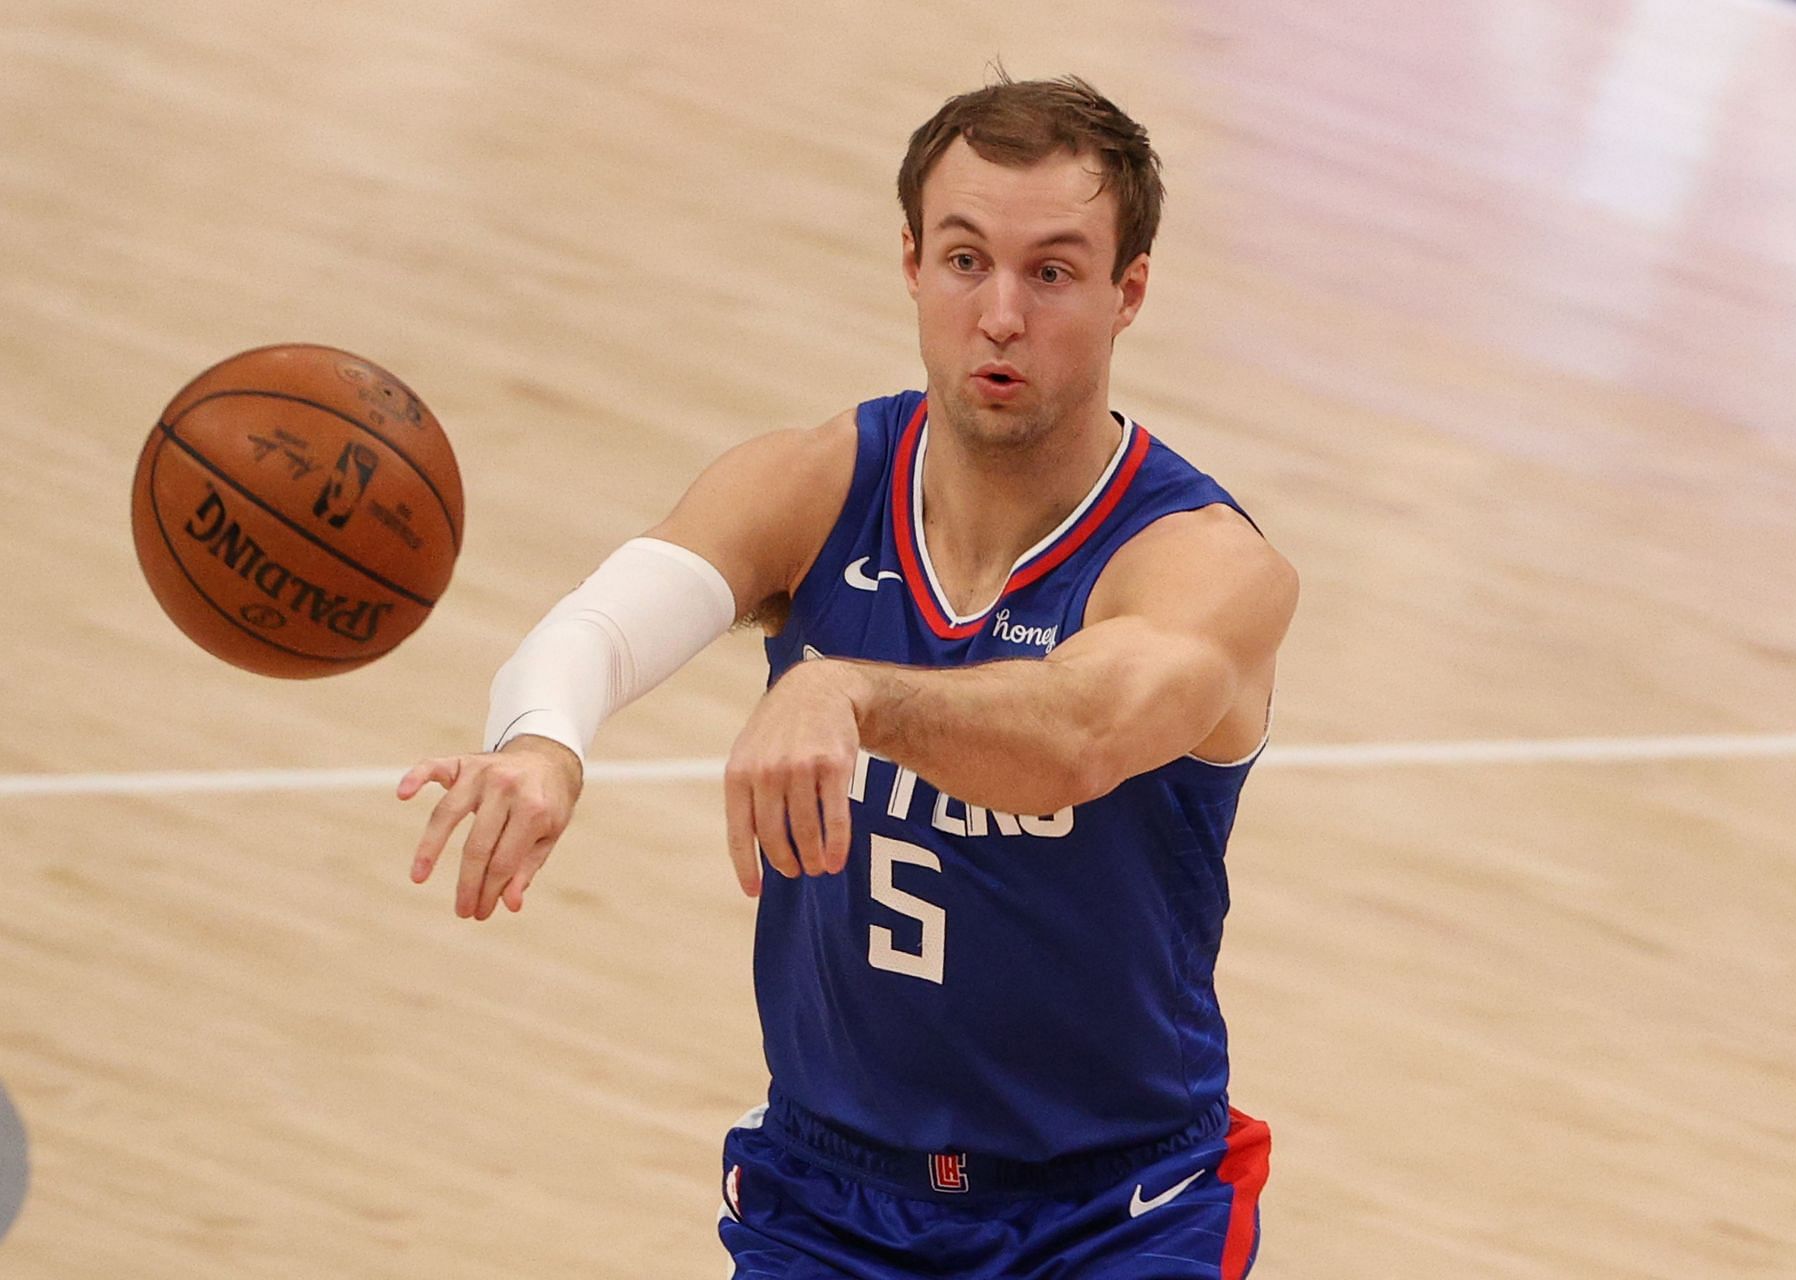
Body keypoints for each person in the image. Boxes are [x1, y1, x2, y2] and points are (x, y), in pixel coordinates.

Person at [400, 72, 1299, 1279]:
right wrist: (542, 741)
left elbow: (1083, 732)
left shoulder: (1202, 562)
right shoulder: (820, 483)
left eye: (1053, 272)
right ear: (913, 264)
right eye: (967, 260)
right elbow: (603, 622)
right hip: (832, 1196)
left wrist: (850, 690)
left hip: (1115, 1211)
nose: (1000, 315)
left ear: (1128, 291)